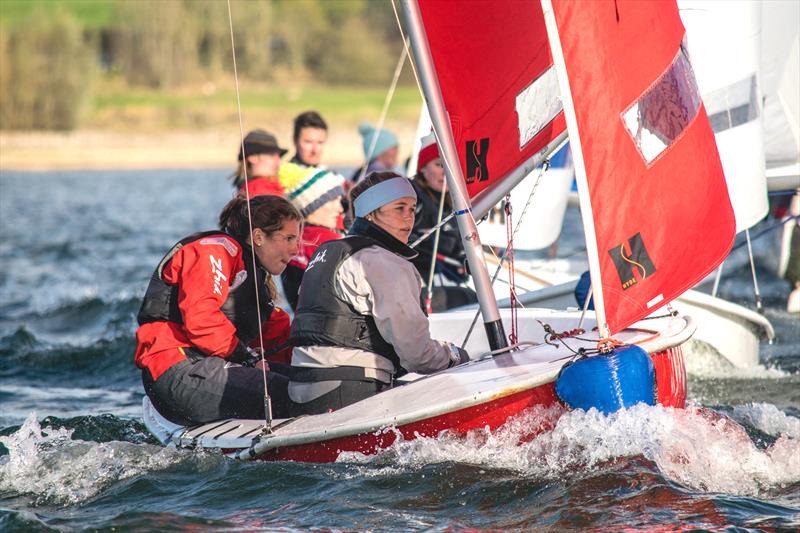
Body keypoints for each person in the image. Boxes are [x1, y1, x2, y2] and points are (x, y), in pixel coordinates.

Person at [287, 171, 470, 415]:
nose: (409, 218)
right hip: (351, 395)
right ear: (371, 214)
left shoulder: (328, 251)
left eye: (412, 209)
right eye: (399, 208)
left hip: (301, 392)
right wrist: (456, 356)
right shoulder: (382, 261)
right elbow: (417, 355)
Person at [134, 195, 302, 426]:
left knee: (308, 384)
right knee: (295, 394)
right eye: (289, 238)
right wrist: (245, 357)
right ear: (259, 237)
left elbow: (277, 338)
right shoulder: (216, 250)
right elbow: (201, 318)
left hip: (205, 368)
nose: (296, 249)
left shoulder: (254, 279)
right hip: (177, 369)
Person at [409, 133, 477, 311]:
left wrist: (464, 261)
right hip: (416, 287)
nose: (445, 172)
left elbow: (458, 248)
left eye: (449, 166)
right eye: (439, 165)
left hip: (443, 282)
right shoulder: (413, 196)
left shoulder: (453, 203)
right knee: (471, 299)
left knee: (474, 298)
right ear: (423, 168)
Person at [280, 163, 346, 310]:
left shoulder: (292, 241)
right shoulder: (328, 241)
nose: (340, 208)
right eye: (333, 200)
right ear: (312, 206)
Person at [230, 129, 288, 197]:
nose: (278, 162)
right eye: (272, 155)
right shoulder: (256, 190)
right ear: (253, 157)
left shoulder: (244, 191)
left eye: (279, 156)